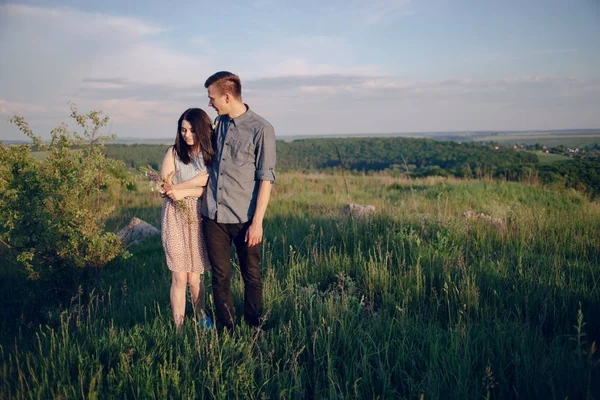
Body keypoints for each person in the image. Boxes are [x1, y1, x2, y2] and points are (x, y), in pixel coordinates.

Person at [202, 71, 276, 332]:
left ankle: (255, 327)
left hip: (245, 219)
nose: (209, 103)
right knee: (220, 277)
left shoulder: (261, 129)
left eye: (211, 98)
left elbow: (266, 179)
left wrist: (257, 223)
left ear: (226, 96)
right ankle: (226, 331)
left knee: (251, 276)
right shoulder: (217, 123)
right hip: (213, 215)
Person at [160, 108, 214, 333]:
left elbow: (209, 188)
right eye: (183, 130)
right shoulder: (173, 153)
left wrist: (182, 189)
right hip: (175, 217)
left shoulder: (210, 154)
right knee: (179, 276)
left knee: (195, 278)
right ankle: (179, 329)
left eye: (192, 129)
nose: (187, 134)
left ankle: (201, 318)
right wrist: (192, 184)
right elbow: (164, 188)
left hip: (198, 218)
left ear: (201, 129)